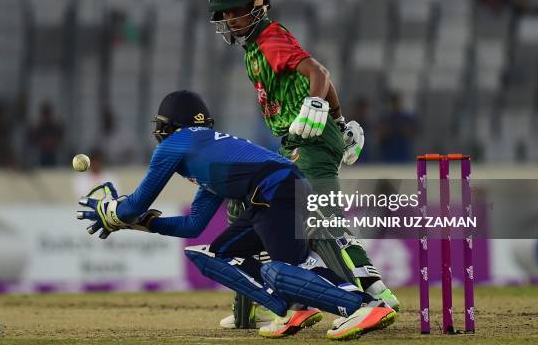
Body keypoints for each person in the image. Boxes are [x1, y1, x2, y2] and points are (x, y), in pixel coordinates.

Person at [77, 90, 397, 340]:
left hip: (276, 191)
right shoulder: (209, 159)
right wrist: (143, 223)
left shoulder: (175, 144)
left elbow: (134, 203)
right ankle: (297, 308)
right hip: (275, 191)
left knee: (284, 269)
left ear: (165, 128)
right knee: (217, 254)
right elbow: (193, 225)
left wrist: (113, 211)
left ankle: (364, 305)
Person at [207, 0, 399, 334]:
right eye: (226, 14)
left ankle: (370, 303)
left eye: (235, 11)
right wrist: (340, 122)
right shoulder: (253, 48)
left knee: (317, 221)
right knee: (256, 208)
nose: (229, 20)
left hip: (309, 140)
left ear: (258, 5)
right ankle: (273, 304)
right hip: (297, 140)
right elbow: (321, 75)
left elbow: (317, 73)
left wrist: (319, 108)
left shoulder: (269, 36)